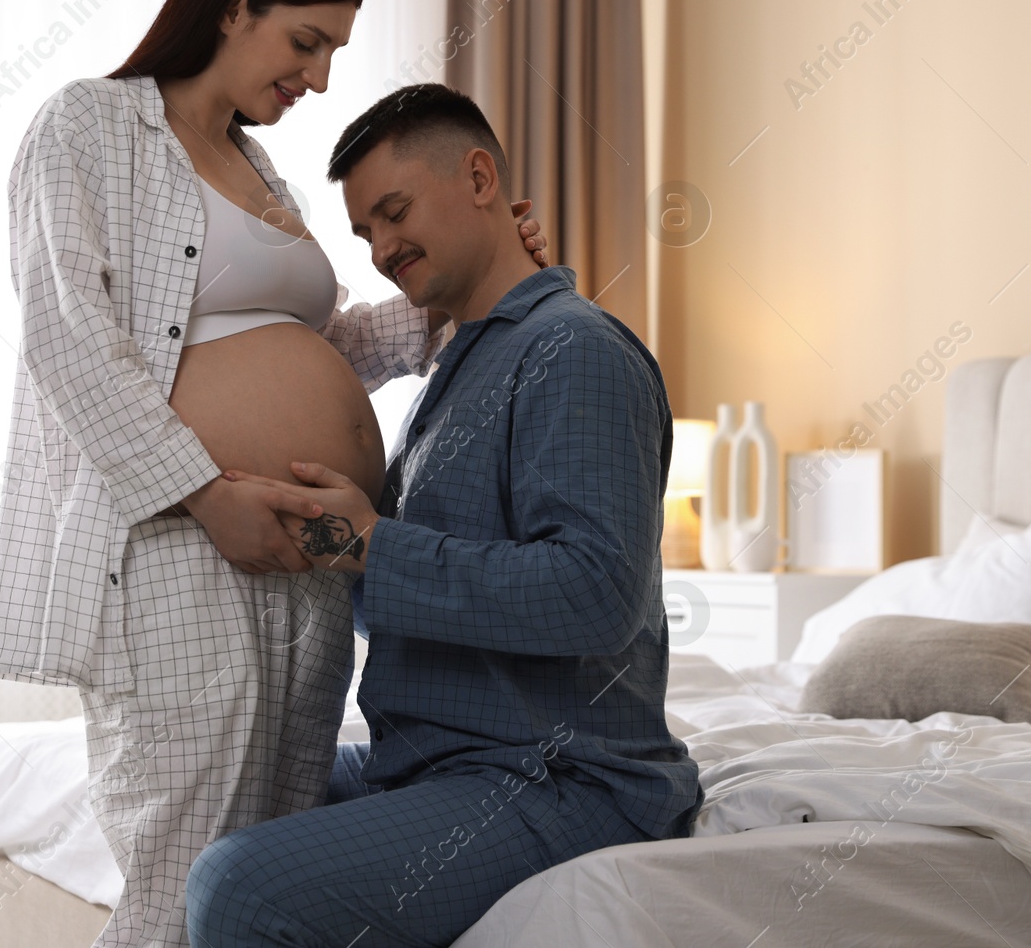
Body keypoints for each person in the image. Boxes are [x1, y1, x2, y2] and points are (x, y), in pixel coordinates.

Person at [0, 0, 545, 948]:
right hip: (180, 542)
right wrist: (207, 494)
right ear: (235, 4)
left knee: (272, 877)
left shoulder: (258, 169)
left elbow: (326, 346)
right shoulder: (92, 127)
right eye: (306, 42)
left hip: (309, 562)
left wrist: (466, 275)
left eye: (332, 51)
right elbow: (72, 339)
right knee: (182, 876)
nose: (321, 78)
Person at [185, 83, 702, 947]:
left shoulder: (575, 351)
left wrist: (369, 542)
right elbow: (405, 588)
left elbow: (595, 594)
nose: (383, 249)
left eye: (394, 212)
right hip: (435, 762)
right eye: (365, 234)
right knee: (218, 811)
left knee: (239, 885)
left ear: (477, 177)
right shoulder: (462, 366)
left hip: (557, 778)